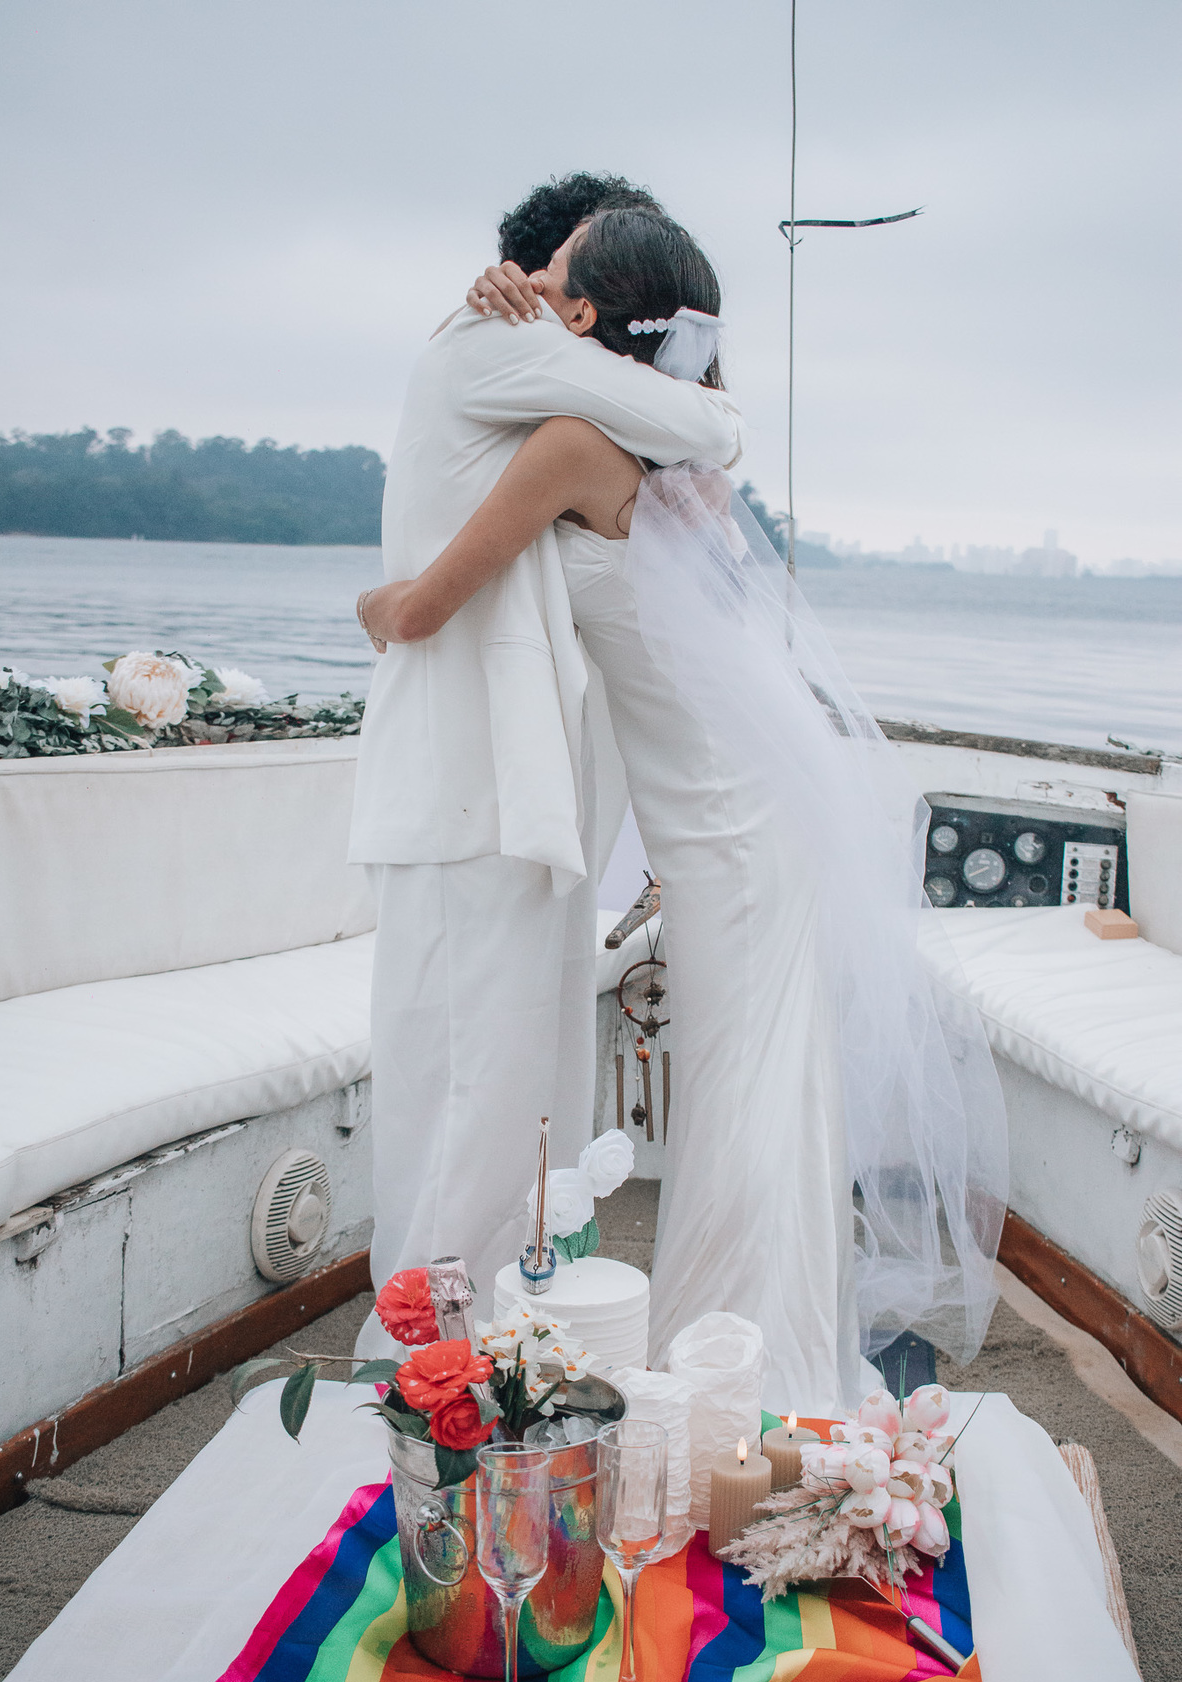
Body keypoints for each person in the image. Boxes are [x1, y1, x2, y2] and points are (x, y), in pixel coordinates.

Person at [361, 207, 1008, 1412]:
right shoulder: (668, 462)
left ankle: (748, 1377)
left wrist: (379, 605)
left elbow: (432, 598)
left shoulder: (573, 444)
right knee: (750, 1093)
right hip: (731, 835)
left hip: (741, 844)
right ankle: (744, 1359)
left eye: (554, 272)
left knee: (752, 1097)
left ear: (591, 312)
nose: (528, 283)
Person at [349, 178, 744, 1360]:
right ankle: (432, 1361)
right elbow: (712, 427)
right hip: (467, 786)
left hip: (529, 798)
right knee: (468, 1088)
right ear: (540, 284)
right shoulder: (491, 341)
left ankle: (512, 1343)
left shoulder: (572, 418)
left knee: (525, 1091)